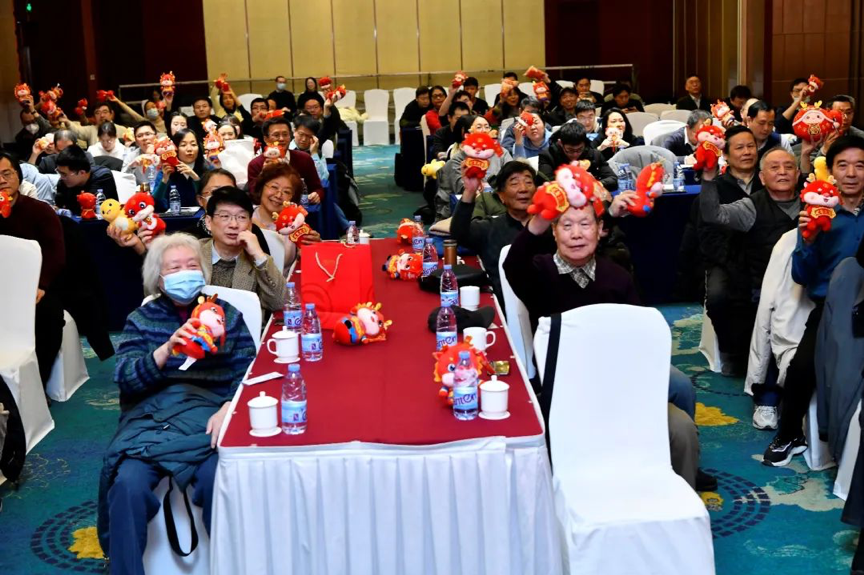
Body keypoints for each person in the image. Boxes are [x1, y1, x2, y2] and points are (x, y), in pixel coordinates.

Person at [502, 193, 707, 491]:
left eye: (585, 224)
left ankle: (683, 465)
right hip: (569, 383)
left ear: (600, 229)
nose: (576, 234)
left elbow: (641, 333)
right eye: (566, 225)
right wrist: (539, 220)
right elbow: (513, 264)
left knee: (681, 399)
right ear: (554, 231)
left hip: (619, 375)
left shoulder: (617, 276)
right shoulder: (539, 273)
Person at [98, 232, 257, 575]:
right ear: (158, 278)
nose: (185, 272)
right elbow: (125, 378)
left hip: (208, 416)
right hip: (152, 420)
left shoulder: (227, 315)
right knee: (127, 484)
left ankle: (231, 566)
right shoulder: (141, 320)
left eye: (191, 265)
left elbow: (249, 371)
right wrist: (166, 349)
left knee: (219, 478)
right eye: (174, 267)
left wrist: (229, 407)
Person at [762, 135, 864, 466]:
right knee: (802, 367)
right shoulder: (818, 213)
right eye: (843, 165)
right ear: (831, 171)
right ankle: (790, 434)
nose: (852, 173)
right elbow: (801, 276)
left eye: (860, 166)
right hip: (831, 310)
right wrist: (808, 240)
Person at [699, 148, 803, 428]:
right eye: (774, 168)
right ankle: (766, 400)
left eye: (788, 167)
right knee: (771, 328)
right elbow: (713, 215)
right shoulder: (751, 206)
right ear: (762, 177)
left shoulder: (814, 202)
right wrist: (708, 179)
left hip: (805, 287)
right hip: (762, 290)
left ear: (798, 174)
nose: (782, 172)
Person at [697, 126, 761, 377]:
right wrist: (730, 260)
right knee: (718, 297)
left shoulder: (767, 180)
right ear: (725, 154)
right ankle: (731, 352)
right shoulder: (716, 186)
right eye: (740, 147)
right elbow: (707, 233)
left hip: (762, 253)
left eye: (751, 146)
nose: (747, 152)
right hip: (725, 257)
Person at [0, 151, 65, 386]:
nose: (1, 181)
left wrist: (41, 285)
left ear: (18, 176)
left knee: (48, 317)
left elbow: (55, 253)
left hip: (35, 285)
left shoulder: (40, 211)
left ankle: (38, 384)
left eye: (7, 174)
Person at [450, 161, 551, 299]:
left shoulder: (550, 228)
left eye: (528, 182)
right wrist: (470, 191)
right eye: (514, 183)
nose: (523, 188)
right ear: (501, 196)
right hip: (505, 304)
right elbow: (458, 234)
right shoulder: (490, 228)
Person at [201, 187, 285, 312]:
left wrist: (258, 255)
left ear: (250, 225)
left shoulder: (259, 262)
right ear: (208, 222)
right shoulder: (192, 254)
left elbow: (279, 303)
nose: (234, 225)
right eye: (225, 216)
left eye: (241, 217)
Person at [434, 115, 514, 221]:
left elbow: (512, 175)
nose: (484, 131)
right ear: (468, 134)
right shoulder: (457, 160)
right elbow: (465, 190)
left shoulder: (501, 152)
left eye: (487, 127)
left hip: (498, 202)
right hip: (462, 209)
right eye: (479, 127)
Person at [246, 116, 323, 201]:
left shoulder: (304, 158)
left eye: (285, 134)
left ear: (290, 136)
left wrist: (316, 195)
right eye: (276, 135)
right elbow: (254, 196)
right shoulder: (255, 164)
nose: (281, 139)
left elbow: (318, 188)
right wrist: (264, 174)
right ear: (266, 139)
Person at [538, 121, 617, 191]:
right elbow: (547, 184)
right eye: (570, 150)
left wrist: (595, 184)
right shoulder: (547, 156)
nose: (575, 154)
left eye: (579, 149)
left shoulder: (594, 154)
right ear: (560, 143)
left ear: (584, 143)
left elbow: (613, 179)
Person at [152, 128, 207, 210]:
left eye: (193, 144)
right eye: (183, 145)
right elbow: (156, 204)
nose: (189, 149)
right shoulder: (166, 170)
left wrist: (195, 177)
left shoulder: (207, 168)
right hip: (173, 217)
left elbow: (210, 200)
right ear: (175, 149)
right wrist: (164, 180)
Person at [54, 145, 118, 214]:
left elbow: (90, 210)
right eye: (59, 172)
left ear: (82, 172)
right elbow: (60, 208)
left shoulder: (103, 177)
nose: (61, 177)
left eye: (64, 174)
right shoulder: (63, 183)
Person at [30, 129, 95, 175]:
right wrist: (34, 154)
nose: (65, 154)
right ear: (55, 148)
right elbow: (32, 180)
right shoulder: (47, 162)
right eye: (60, 151)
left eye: (68, 149)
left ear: (75, 146)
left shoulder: (86, 157)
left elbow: (92, 177)